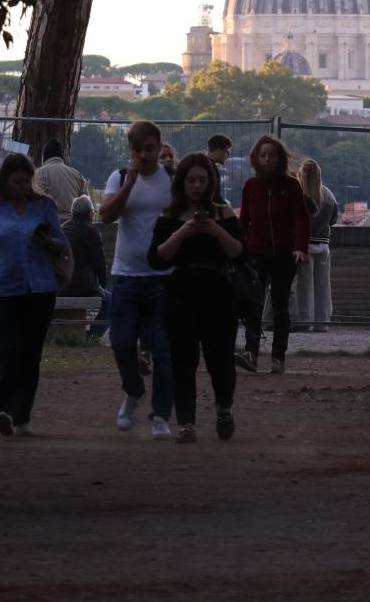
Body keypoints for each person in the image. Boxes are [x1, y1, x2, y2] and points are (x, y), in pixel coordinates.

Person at [0, 152, 65, 437]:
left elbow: (61, 243)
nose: (22, 187)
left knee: (30, 354)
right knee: (2, 351)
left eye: (26, 181)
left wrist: (49, 242)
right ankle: (2, 409)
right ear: (4, 181)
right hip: (0, 291)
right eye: (16, 181)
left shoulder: (44, 206)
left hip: (39, 290)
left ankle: (22, 416)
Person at [148, 152, 244, 444]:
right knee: (183, 360)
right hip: (181, 294)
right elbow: (157, 258)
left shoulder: (224, 214)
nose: (197, 186)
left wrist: (215, 230)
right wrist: (183, 232)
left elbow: (239, 253)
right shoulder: (169, 217)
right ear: (182, 183)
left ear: (210, 182)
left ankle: (224, 408)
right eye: (191, 180)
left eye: (202, 180)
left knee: (221, 358)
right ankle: (186, 423)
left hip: (218, 294)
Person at [100, 120, 175, 438]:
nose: (143, 155)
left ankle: (160, 415)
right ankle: (134, 391)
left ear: (159, 147)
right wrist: (129, 184)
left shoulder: (172, 179)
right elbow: (106, 215)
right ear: (130, 150)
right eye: (137, 149)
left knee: (163, 351)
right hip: (126, 276)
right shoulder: (119, 177)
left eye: (149, 149)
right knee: (121, 342)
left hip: (164, 278)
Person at [235, 135, 309, 374]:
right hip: (256, 254)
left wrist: (300, 247)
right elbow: (244, 220)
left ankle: (278, 357)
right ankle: (251, 353)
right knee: (253, 304)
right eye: (263, 155)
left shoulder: (291, 185)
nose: (267, 159)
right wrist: (239, 247)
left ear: (280, 158)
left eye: (271, 155)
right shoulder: (251, 186)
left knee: (280, 307)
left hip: (285, 255)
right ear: (256, 158)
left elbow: (301, 218)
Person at [296, 160, 338, 332]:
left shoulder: (299, 194)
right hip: (324, 245)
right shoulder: (329, 195)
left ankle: (305, 322)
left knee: (304, 287)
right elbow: (333, 220)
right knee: (323, 287)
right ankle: (323, 323)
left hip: (305, 245)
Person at [61, 194, 111, 329]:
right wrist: (103, 286)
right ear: (89, 213)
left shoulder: (62, 229)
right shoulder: (91, 231)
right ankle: (92, 336)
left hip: (61, 286)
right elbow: (100, 263)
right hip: (83, 286)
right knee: (111, 301)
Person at [33, 138, 87, 218]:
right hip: (72, 222)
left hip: (48, 222)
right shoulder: (77, 175)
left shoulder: (39, 174)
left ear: (44, 156)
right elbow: (86, 205)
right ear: (62, 156)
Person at [206, 133, 232, 204]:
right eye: (227, 152)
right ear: (218, 150)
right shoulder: (210, 168)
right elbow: (215, 197)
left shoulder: (204, 164)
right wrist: (226, 206)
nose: (228, 156)